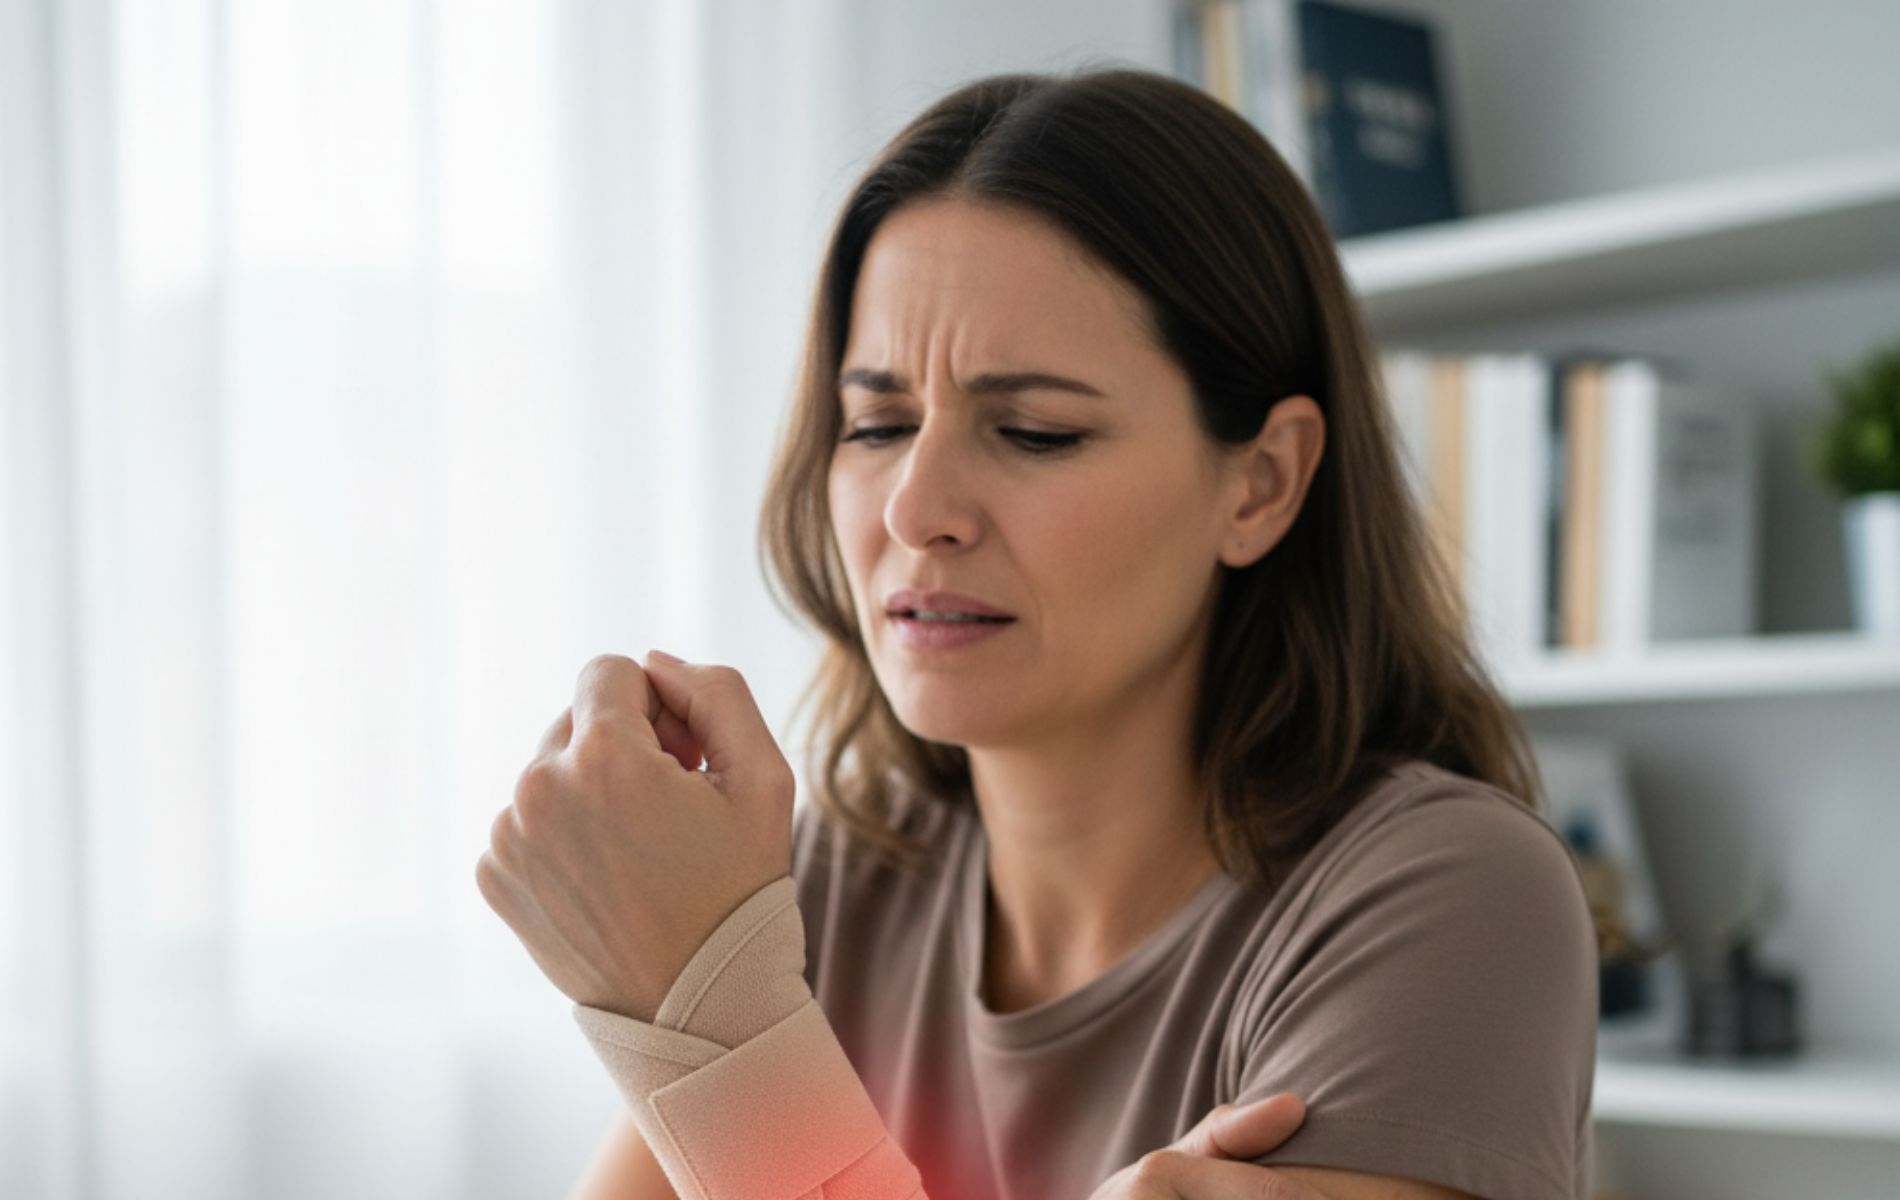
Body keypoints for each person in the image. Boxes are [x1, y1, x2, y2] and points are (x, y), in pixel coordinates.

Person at [481, 66, 1600, 1200]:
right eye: (877, 423)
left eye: (1034, 431)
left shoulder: (1450, 898)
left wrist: (708, 1017)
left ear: (1261, 483)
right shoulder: (831, 884)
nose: (916, 509)